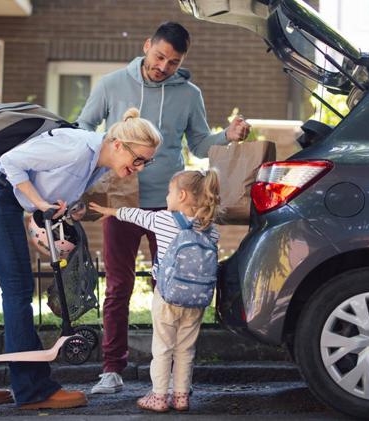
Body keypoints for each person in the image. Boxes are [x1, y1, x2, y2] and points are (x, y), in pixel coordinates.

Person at [0, 108, 162, 409]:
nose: (139, 167)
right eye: (137, 159)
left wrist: (73, 208)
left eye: (146, 162)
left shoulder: (97, 164)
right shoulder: (76, 147)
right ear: (117, 144)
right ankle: (33, 389)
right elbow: (11, 162)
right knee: (18, 288)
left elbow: (53, 184)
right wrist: (40, 204)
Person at [77, 21, 249, 395]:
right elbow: (84, 126)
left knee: (169, 288)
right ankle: (111, 369)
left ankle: (168, 369)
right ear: (146, 46)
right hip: (121, 199)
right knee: (119, 286)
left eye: (173, 62)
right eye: (159, 57)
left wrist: (228, 136)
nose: (163, 66)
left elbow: (201, 145)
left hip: (172, 204)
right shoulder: (111, 85)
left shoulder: (189, 94)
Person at [89, 169, 221, 412]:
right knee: (185, 349)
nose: (166, 197)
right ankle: (181, 396)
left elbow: (135, 215)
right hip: (197, 300)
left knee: (163, 347)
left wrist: (111, 211)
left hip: (167, 296)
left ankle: (159, 396)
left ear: (181, 195)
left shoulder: (163, 219)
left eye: (169, 192)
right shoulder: (211, 229)